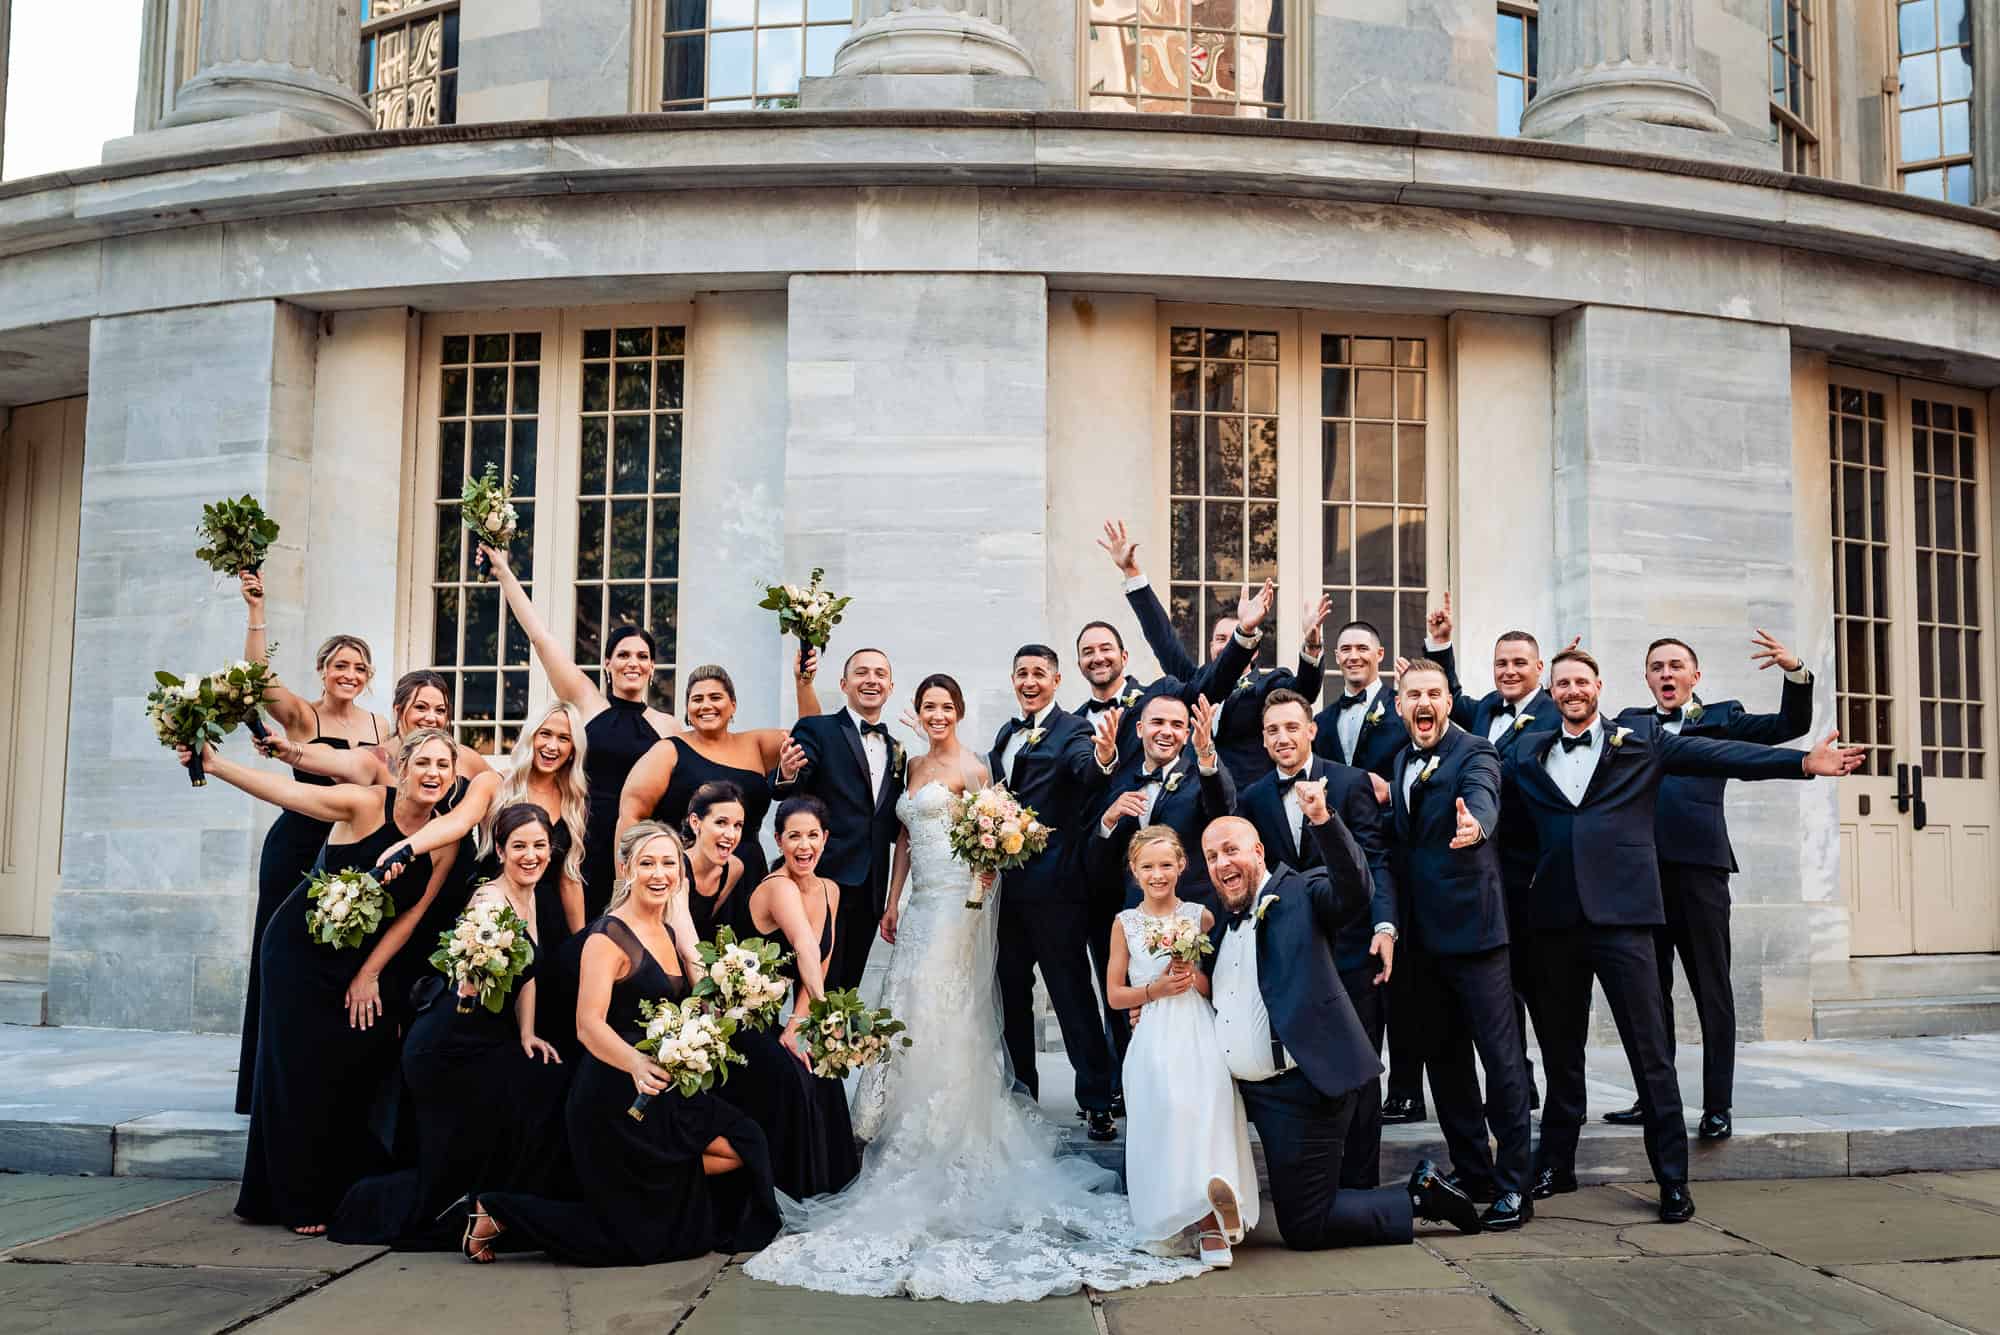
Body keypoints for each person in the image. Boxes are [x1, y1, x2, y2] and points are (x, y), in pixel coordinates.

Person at [744, 674, 1204, 1301]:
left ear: (958, 712)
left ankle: (947, 1122)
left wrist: (983, 880)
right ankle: (894, 1113)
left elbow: (1000, 836)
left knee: (948, 1006)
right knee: (906, 1003)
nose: (936, 715)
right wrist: (892, 898)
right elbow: (905, 834)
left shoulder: (976, 765)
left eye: (945, 707)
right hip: (919, 904)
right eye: (928, 707)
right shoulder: (910, 763)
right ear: (920, 712)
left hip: (960, 905)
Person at [1506, 648, 1861, 1224]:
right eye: (1562, 683)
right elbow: (1475, 776)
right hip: (1554, 922)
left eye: (1581, 681)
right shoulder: (1525, 749)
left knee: (1651, 1054)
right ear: (1551, 694)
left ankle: (1672, 1179)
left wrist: (1801, 764)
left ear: (1599, 686)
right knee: (1561, 1054)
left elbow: (1722, 753)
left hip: (1624, 920)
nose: (1572, 690)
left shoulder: (1642, 740)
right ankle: (1556, 1164)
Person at [466, 822, 780, 1265]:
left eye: (669, 863)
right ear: (626, 868)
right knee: (633, 1244)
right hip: (614, 1095)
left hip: (662, 1087)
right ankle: (496, 1211)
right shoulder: (607, 937)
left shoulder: (669, 930)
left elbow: (697, 996)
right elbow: (587, 1026)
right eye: (647, 863)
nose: (659, 874)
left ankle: (659, 1200)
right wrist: (634, 1062)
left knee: (744, 1145)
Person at [189, 730, 461, 1236]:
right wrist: (216, 764)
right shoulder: (363, 804)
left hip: (358, 962)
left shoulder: (443, 838)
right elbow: (291, 794)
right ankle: (295, 1200)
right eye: (423, 763)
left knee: (356, 1064)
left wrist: (369, 973)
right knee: (298, 1071)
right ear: (402, 767)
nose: (433, 774)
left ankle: (340, 1185)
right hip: (299, 953)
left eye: (443, 766)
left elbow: (413, 915)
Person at [1197, 808, 1481, 1247]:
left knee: (1306, 1227)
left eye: (1231, 850)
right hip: (1247, 1094)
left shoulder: (1302, 891)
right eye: (1212, 856)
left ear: (1258, 851)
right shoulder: (1219, 926)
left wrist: (1323, 821)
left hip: (1301, 1088)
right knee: (1298, 1205)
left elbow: (1353, 888)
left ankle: (1420, 1197)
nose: (1221, 863)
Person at [1599, 632, 1814, 1142]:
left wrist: (1795, 672)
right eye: (1656, 667)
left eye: (1676, 666)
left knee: (1711, 991)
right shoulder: (1629, 723)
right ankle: (1655, 1097)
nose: (1666, 674)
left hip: (1700, 872)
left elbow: (1789, 727)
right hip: (1642, 877)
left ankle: (1718, 1105)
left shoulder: (1722, 716)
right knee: (1651, 995)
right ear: (1647, 678)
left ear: (1696, 676)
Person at [329, 803, 571, 1249]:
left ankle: (498, 1207)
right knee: (451, 1161)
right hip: (447, 1045)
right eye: (519, 846)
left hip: (486, 1039)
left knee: (541, 1084)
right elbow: (469, 953)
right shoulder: (489, 900)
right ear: (500, 849)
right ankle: (370, 1206)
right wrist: (468, 980)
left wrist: (527, 1033)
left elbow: (529, 973)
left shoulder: (532, 892)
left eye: (539, 846)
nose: (531, 855)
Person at [233, 570, 391, 1115]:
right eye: (339, 665)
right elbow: (254, 678)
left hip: (352, 853)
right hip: (298, 848)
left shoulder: (381, 727)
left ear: (369, 677)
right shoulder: (303, 715)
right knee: (280, 960)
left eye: (358, 668)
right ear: (323, 672)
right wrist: (257, 609)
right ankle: (265, 1081)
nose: (348, 674)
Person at [1383, 659, 1533, 1230]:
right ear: (1399, 705)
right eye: (1412, 694)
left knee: (1501, 1063)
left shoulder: (1475, 752)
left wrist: (1479, 827)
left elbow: (1483, 796)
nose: (1424, 702)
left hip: (1475, 935)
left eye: (1434, 693)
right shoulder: (1399, 758)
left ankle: (1516, 1186)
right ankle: (1475, 1175)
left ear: (1449, 702)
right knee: (1445, 1066)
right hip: (1422, 942)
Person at [263, 671, 497, 1033]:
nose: (430, 717)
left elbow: (497, 806)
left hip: (448, 883)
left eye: (440, 709)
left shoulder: (466, 759)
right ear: (399, 708)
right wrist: (290, 751)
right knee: (391, 994)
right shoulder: (377, 758)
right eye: (420, 707)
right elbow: (333, 762)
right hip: (398, 885)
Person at [1236, 688, 1397, 1189]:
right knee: (1306, 1070)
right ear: (1263, 741)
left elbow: (1375, 860)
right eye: (1272, 731)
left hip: (1351, 948)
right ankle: (1317, 1185)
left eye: (1291, 727)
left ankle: (1360, 1186)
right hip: (1294, 957)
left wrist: (1384, 926)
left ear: (1311, 730)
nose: (1282, 738)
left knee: (1360, 1071)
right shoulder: (1254, 796)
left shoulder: (1349, 783)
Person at [482, 544, 680, 918]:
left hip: (637, 846)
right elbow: (541, 639)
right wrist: (505, 573)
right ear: (608, 664)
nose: (632, 663)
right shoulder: (589, 703)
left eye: (641, 656)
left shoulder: (668, 727)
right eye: (623, 655)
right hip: (583, 837)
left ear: (653, 667)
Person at [1422, 603, 1562, 1110]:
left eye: (1519, 663)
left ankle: (1563, 1090)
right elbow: (1452, 702)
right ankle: (1517, 1083)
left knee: (1535, 990)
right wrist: (1439, 647)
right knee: (1500, 989)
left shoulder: (1554, 711)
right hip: (1482, 873)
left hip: (1531, 870)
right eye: (1502, 663)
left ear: (1540, 669)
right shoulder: (1483, 710)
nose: (1509, 671)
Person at [1311, 617, 1447, 1126]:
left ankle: (1407, 1088)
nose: (1352, 656)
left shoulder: (1402, 713)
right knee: (1360, 973)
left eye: (1361, 649)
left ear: (1380, 654)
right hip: (1342, 858)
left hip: (1395, 851)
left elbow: (1421, 759)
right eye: (1344, 649)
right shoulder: (1323, 721)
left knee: (1401, 979)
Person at [990, 645, 1122, 1142]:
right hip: (1007, 895)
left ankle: (1096, 1099)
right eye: (1022, 672)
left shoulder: (1074, 731)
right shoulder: (1007, 733)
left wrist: (1104, 757)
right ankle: (1024, 1095)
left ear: (1056, 679)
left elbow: (1086, 768)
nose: (1029, 681)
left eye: (1039, 673)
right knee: (1013, 997)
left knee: (1071, 996)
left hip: (1057, 891)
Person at [1110, 827, 1257, 1269]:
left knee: (1207, 1110)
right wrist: (1154, 990)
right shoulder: (1125, 923)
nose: (1158, 874)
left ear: (1181, 867)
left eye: (1166, 865)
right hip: (1154, 1033)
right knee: (1168, 1112)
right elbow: (1116, 994)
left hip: (1198, 1028)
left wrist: (1192, 977)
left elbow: (1216, 984)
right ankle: (1173, 1213)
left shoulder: (1201, 917)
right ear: (1135, 872)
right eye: (1148, 867)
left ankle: (1214, 1222)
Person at [1100, 520, 1328, 787]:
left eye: (1233, 639)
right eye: (1219, 639)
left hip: (1246, 798)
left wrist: (1312, 646)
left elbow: (1305, 691)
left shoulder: (1269, 686)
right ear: (1210, 646)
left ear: (1251, 648)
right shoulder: (1195, 681)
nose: (1224, 645)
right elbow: (1162, 637)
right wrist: (1132, 572)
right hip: (1189, 795)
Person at [1085, 693, 1232, 1082]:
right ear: (1140, 729)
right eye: (1157, 723)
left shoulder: (1203, 775)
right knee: (1133, 1024)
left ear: (1187, 733)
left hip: (1194, 916)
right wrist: (1109, 819)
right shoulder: (1119, 779)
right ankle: (1128, 1087)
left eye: (1176, 725)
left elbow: (1223, 813)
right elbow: (1095, 860)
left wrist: (1207, 759)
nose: (1166, 731)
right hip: (1136, 918)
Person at [722, 796, 862, 1199]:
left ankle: (830, 1188)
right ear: (779, 841)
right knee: (793, 1076)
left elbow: (823, 957)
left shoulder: (829, 889)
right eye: (794, 836)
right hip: (739, 1020)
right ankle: (790, 1189)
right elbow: (803, 944)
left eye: (813, 836)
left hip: (780, 1017)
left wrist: (803, 1020)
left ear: (826, 839)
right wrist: (828, 1015)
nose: (804, 846)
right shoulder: (778, 887)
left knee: (822, 1069)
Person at [770, 648, 906, 991]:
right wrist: (786, 772)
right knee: (815, 987)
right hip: (823, 879)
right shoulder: (817, 729)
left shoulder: (897, 749)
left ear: (890, 686)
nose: (871, 680)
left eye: (880, 674)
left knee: (847, 991)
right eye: (862, 672)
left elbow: (889, 822)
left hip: (870, 887)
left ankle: (838, 1046)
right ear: (844, 683)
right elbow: (792, 789)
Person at [619, 663, 819, 886]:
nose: (706, 705)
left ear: (733, 705)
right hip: (687, 878)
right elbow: (630, 816)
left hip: (748, 875)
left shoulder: (756, 745)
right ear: (687, 708)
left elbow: (812, 738)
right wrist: (625, 886)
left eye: (715, 697)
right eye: (697, 699)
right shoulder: (667, 751)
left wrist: (804, 684)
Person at [682, 781, 749, 942]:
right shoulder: (675, 867)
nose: (731, 835)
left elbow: (701, 927)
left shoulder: (734, 868)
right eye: (721, 822)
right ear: (695, 822)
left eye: (738, 825)